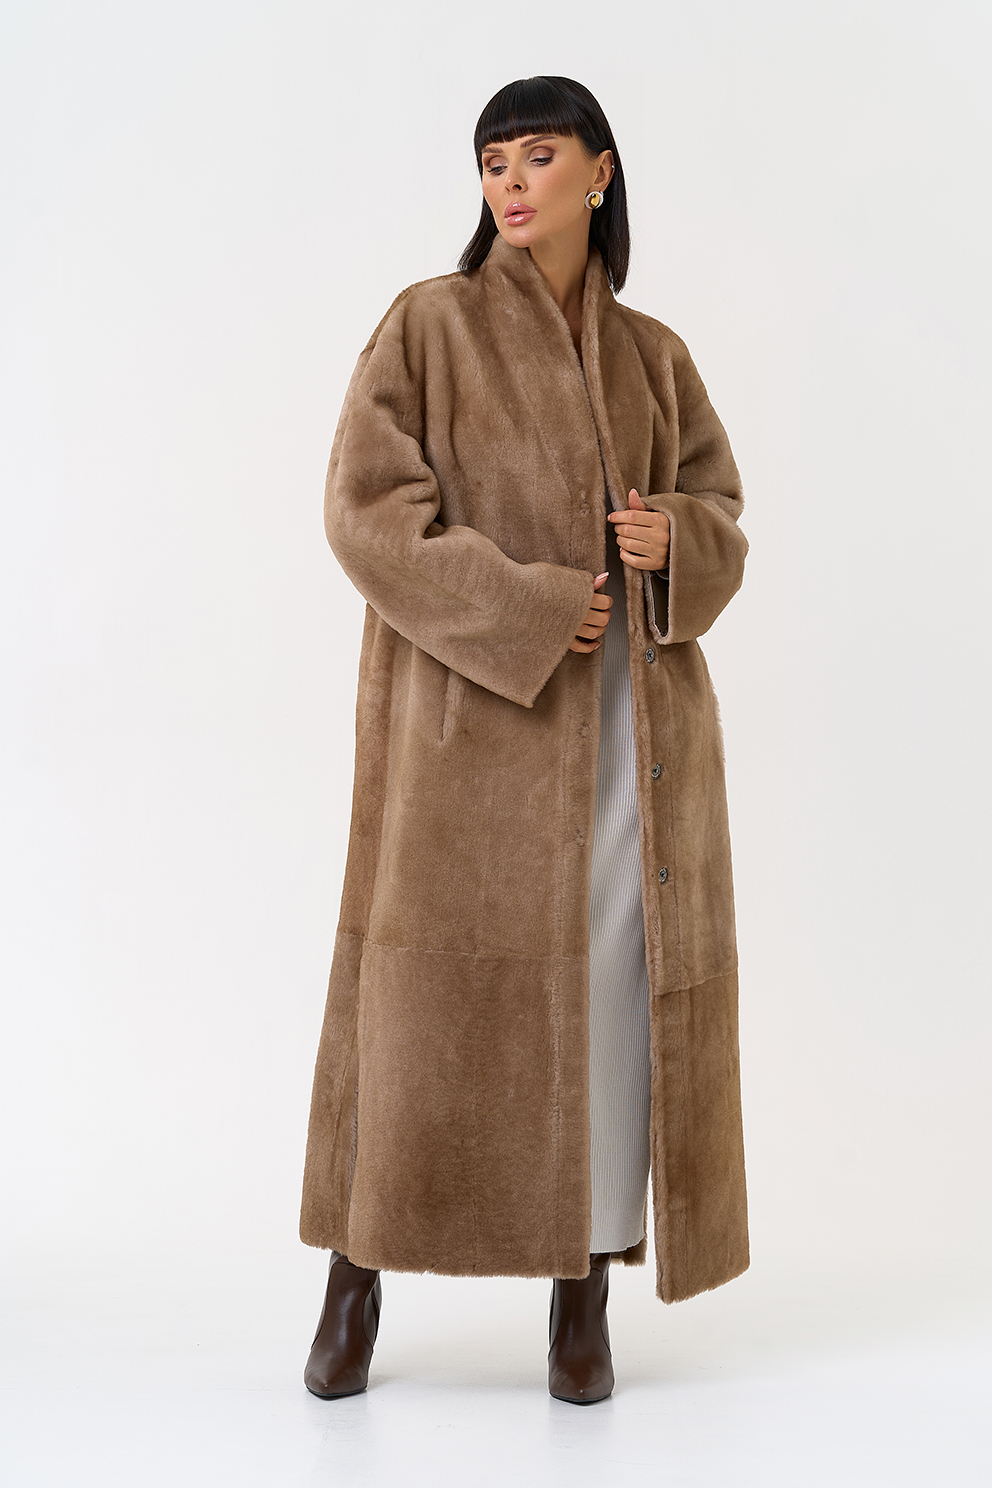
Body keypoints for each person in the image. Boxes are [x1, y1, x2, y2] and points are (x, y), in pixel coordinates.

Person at [300, 75, 749, 1406]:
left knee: (609, 1004)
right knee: (417, 1022)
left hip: (631, 743)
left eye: (537, 156)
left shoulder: (655, 355)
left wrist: (676, 540)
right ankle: (353, 1281)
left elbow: (722, 508)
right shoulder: (428, 326)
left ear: (599, 173)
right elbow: (366, 516)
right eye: (494, 160)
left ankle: (581, 1293)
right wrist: (530, 605)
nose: (509, 181)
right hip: (468, 754)